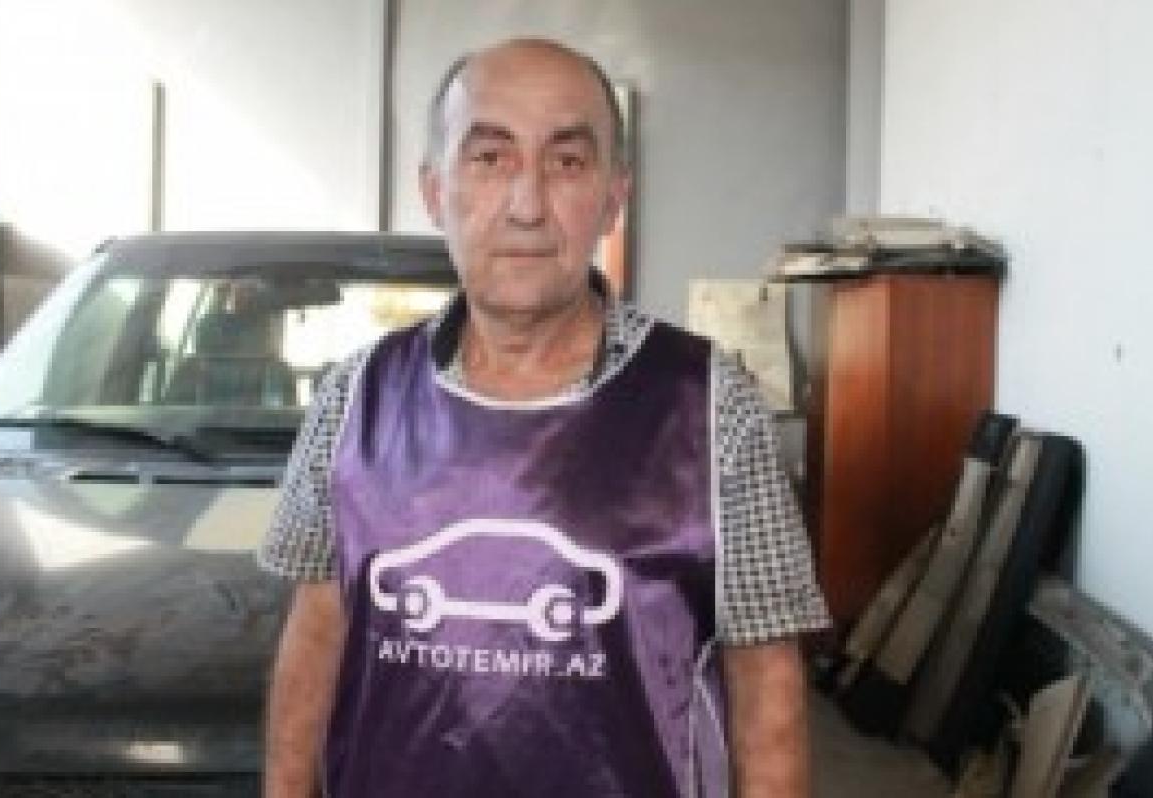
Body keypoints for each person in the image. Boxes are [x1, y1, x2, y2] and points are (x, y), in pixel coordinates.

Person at [259, 37, 830, 798]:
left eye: (566, 162)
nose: (526, 205)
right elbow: (317, 636)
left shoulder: (709, 405)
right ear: (434, 190)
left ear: (613, 197)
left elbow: (766, 680)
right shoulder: (354, 398)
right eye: (489, 158)